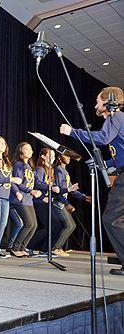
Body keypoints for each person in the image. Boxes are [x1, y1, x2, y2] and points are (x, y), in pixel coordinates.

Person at [60, 86, 123, 275]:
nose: (96, 104)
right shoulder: (116, 120)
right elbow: (119, 155)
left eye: (98, 100)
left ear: (108, 101)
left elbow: (103, 138)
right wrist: (106, 163)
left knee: (112, 218)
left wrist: (72, 132)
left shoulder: (116, 117)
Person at [53, 154, 91, 256]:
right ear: (59, 158)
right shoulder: (58, 170)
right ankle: (55, 248)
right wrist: (67, 204)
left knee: (70, 225)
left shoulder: (64, 171)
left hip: (62, 202)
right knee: (69, 225)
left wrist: (83, 197)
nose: (69, 158)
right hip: (58, 202)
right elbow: (59, 190)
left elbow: (71, 189)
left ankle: (57, 247)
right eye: (66, 156)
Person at [9, 142, 42, 258]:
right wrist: (31, 191)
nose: (30, 151)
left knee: (34, 224)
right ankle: (15, 247)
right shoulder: (19, 164)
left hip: (28, 199)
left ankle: (22, 247)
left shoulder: (29, 166)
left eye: (31, 149)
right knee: (28, 223)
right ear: (21, 151)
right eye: (26, 149)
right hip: (20, 198)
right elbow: (19, 182)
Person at [30, 148, 63, 254]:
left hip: (48, 202)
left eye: (54, 155)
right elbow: (38, 183)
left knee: (56, 225)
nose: (53, 157)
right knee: (50, 226)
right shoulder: (40, 169)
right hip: (40, 202)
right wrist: (50, 186)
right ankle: (28, 245)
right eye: (51, 155)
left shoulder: (51, 170)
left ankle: (45, 249)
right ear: (44, 157)